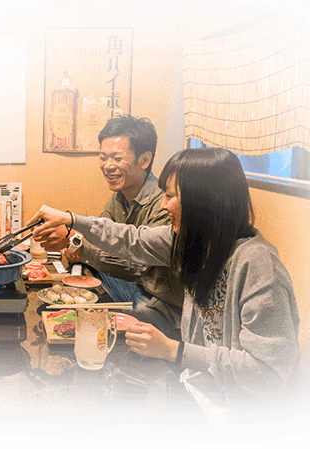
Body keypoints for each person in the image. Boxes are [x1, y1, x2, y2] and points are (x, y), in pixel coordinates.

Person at [29, 147, 300, 426]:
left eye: (171, 196)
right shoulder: (193, 243)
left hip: (243, 422)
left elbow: (269, 374)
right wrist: (71, 219)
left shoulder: (257, 265)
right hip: (197, 395)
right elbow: (130, 238)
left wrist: (175, 350)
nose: (163, 205)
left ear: (202, 202)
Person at [41, 115, 183, 338]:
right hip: (133, 286)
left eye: (117, 158)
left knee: (135, 306)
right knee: (86, 273)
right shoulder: (119, 198)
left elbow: (138, 269)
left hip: (161, 303)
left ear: (144, 160)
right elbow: (95, 240)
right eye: (103, 157)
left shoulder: (163, 203)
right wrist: (73, 240)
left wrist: (79, 246)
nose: (108, 166)